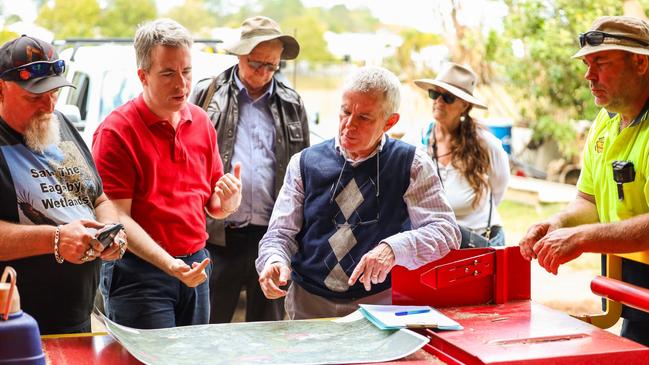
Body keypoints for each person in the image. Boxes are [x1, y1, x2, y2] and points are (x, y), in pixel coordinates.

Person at [256, 66, 460, 319]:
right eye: (345, 111)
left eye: (364, 117)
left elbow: (445, 231)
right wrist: (273, 260)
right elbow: (280, 233)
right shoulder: (305, 163)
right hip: (308, 301)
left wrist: (393, 248)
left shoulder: (411, 164)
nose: (349, 125)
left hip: (380, 304)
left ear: (389, 122)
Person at [92, 19, 242, 329]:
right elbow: (117, 218)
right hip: (138, 272)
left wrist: (227, 203)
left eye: (186, 71)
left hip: (196, 264)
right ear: (142, 76)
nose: (182, 84)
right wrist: (169, 264)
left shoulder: (200, 121)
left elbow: (210, 203)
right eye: (168, 74)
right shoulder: (116, 132)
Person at [518, 16, 649, 346]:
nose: (589, 76)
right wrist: (558, 223)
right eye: (587, 64)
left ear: (640, 62)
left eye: (601, 63)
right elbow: (589, 201)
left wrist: (583, 238)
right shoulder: (605, 123)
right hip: (629, 291)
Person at [0, 35, 126, 335]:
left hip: (76, 317)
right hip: (16, 324)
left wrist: (112, 232)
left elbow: (98, 198)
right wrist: (56, 239)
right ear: (2, 89)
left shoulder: (59, 124)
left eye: (55, 91)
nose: (49, 104)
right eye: (35, 96)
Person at [190, 16, 309, 323]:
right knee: (210, 329)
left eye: (273, 66)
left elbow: (304, 172)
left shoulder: (291, 102)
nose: (265, 73)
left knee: (268, 332)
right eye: (257, 64)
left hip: (272, 239)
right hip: (219, 236)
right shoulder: (208, 94)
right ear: (240, 56)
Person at [412, 63, 509, 248]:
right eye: (434, 94)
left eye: (447, 97)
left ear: (464, 105)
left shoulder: (486, 145)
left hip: (481, 242)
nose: (438, 101)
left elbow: (499, 188)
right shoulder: (417, 140)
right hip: (437, 243)